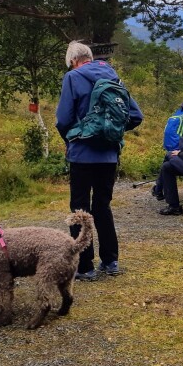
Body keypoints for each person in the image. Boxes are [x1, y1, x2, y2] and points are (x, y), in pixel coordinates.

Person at [56, 41, 143, 281]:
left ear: (73, 61)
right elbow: (136, 116)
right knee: (102, 206)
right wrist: (111, 132)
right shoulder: (114, 78)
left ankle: (84, 266)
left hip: (82, 154)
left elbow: (63, 119)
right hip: (109, 155)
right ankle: (110, 261)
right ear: (90, 57)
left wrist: (71, 138)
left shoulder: (72, 77)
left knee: (80, 208)